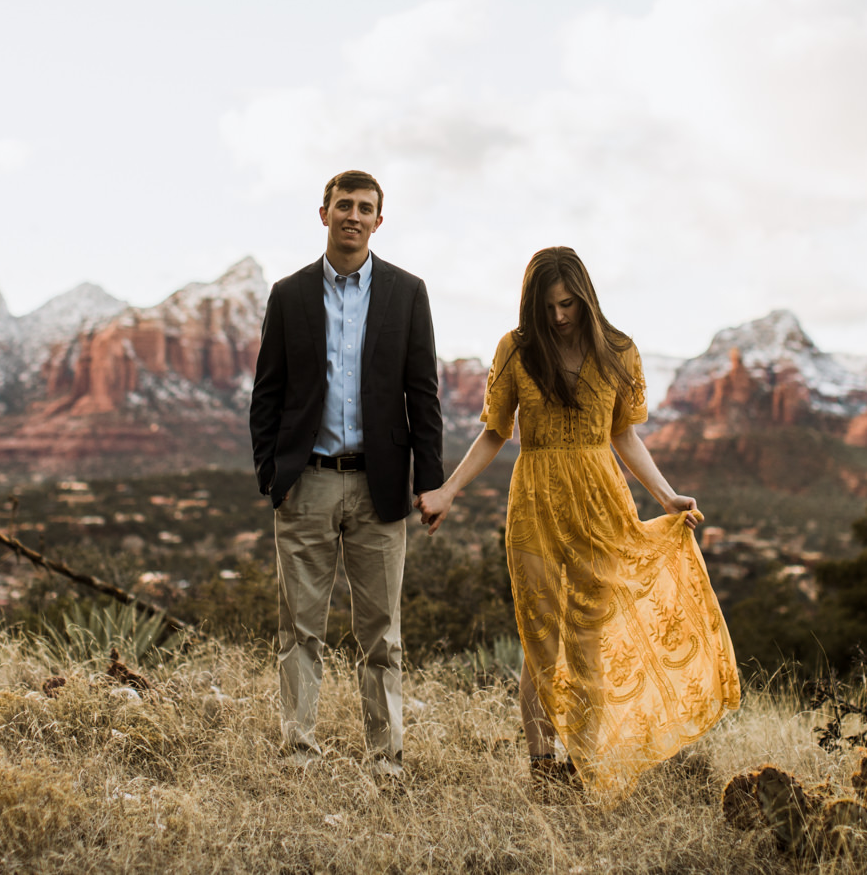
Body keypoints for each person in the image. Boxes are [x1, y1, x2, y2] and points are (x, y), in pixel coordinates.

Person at [418, 246, 739, 801]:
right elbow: (495, 431)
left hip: (601, 502)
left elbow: (624, 435)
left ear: (586, 298)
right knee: (539, 638)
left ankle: (587, 769)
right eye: (548, 307)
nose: (559, 316)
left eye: (568, 304)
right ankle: (545, 773)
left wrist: (665, 496)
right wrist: (449, 490)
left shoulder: (619, 351)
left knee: (588, 642)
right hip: (535, 502)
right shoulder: (516, 350)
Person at [250, 170, 445, 778]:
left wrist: (430, 482)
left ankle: (385, 757)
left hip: (380, 483)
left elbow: (424, 393)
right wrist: (270, 474)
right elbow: (268, 392)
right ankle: (298, 750)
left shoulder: (406, 293)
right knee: (300, 627)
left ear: (378, 221)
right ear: (324, 212)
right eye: (343, 205)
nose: (353, 216)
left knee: (381, 633)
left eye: (365, 208)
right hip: (305, 481)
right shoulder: (289, 294)